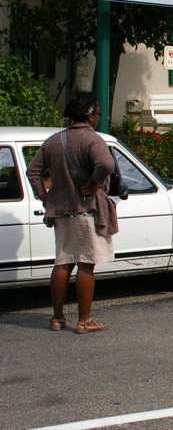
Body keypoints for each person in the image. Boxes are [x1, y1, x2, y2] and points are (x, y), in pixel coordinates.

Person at [26, 92, 119, 334]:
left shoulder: (53, 141)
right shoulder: (93, 140)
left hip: (61, 211)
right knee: (86, 265)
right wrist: (97, 182)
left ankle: (57, 318)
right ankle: (84, 321)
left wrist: (44, 196)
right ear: (89, 114)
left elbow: (32, 171)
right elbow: (106, 164)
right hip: (86, 210)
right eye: (97, 113)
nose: (98, 117)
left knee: (63, 262)